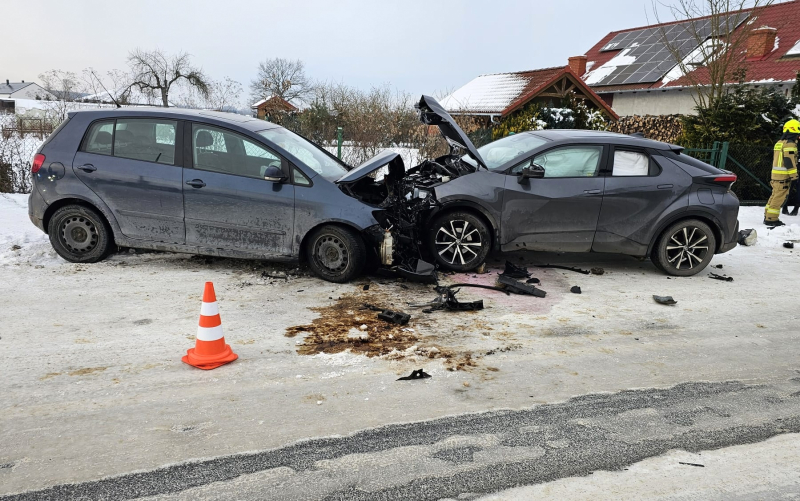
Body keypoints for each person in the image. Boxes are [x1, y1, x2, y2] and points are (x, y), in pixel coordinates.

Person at [764, 119, 800, 227]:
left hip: (775, 175)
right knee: (779, 197)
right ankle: (772, 219)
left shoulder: (779, 143)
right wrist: (794, 175)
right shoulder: (790, 144)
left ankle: (767, 215)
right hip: (783, 176)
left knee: (774, 195)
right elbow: (789, 161)